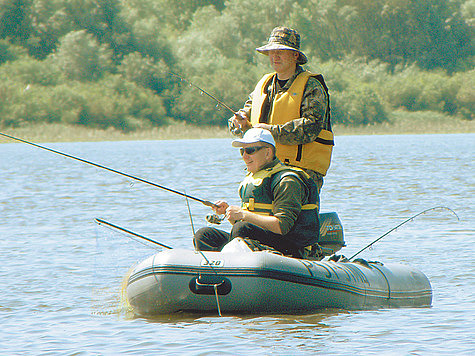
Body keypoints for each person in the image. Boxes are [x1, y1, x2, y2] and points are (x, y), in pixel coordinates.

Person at [229, 26, 333, 192]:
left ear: (295, 55)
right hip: (264, 170)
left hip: (301, 173)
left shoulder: (311, 85)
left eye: (281, 51)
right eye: (271, 51)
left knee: (287, 217)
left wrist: (270, 131)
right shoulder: (264, 85)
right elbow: (238, 124)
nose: (275, 56)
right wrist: (239, 123)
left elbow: (311, 127)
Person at [193, 128, 320, 258]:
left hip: (290, 247)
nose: (244, 156)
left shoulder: (287, 181)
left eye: (250, 150)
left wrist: (243, 214)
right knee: (204, 235)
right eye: (242, 151)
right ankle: (216, 271)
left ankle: (237, 269)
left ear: (267, 152)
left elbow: (281, 227)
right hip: (258, 241)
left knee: (242, 228)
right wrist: (231, 214)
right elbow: (252, 224)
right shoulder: (254, 178)